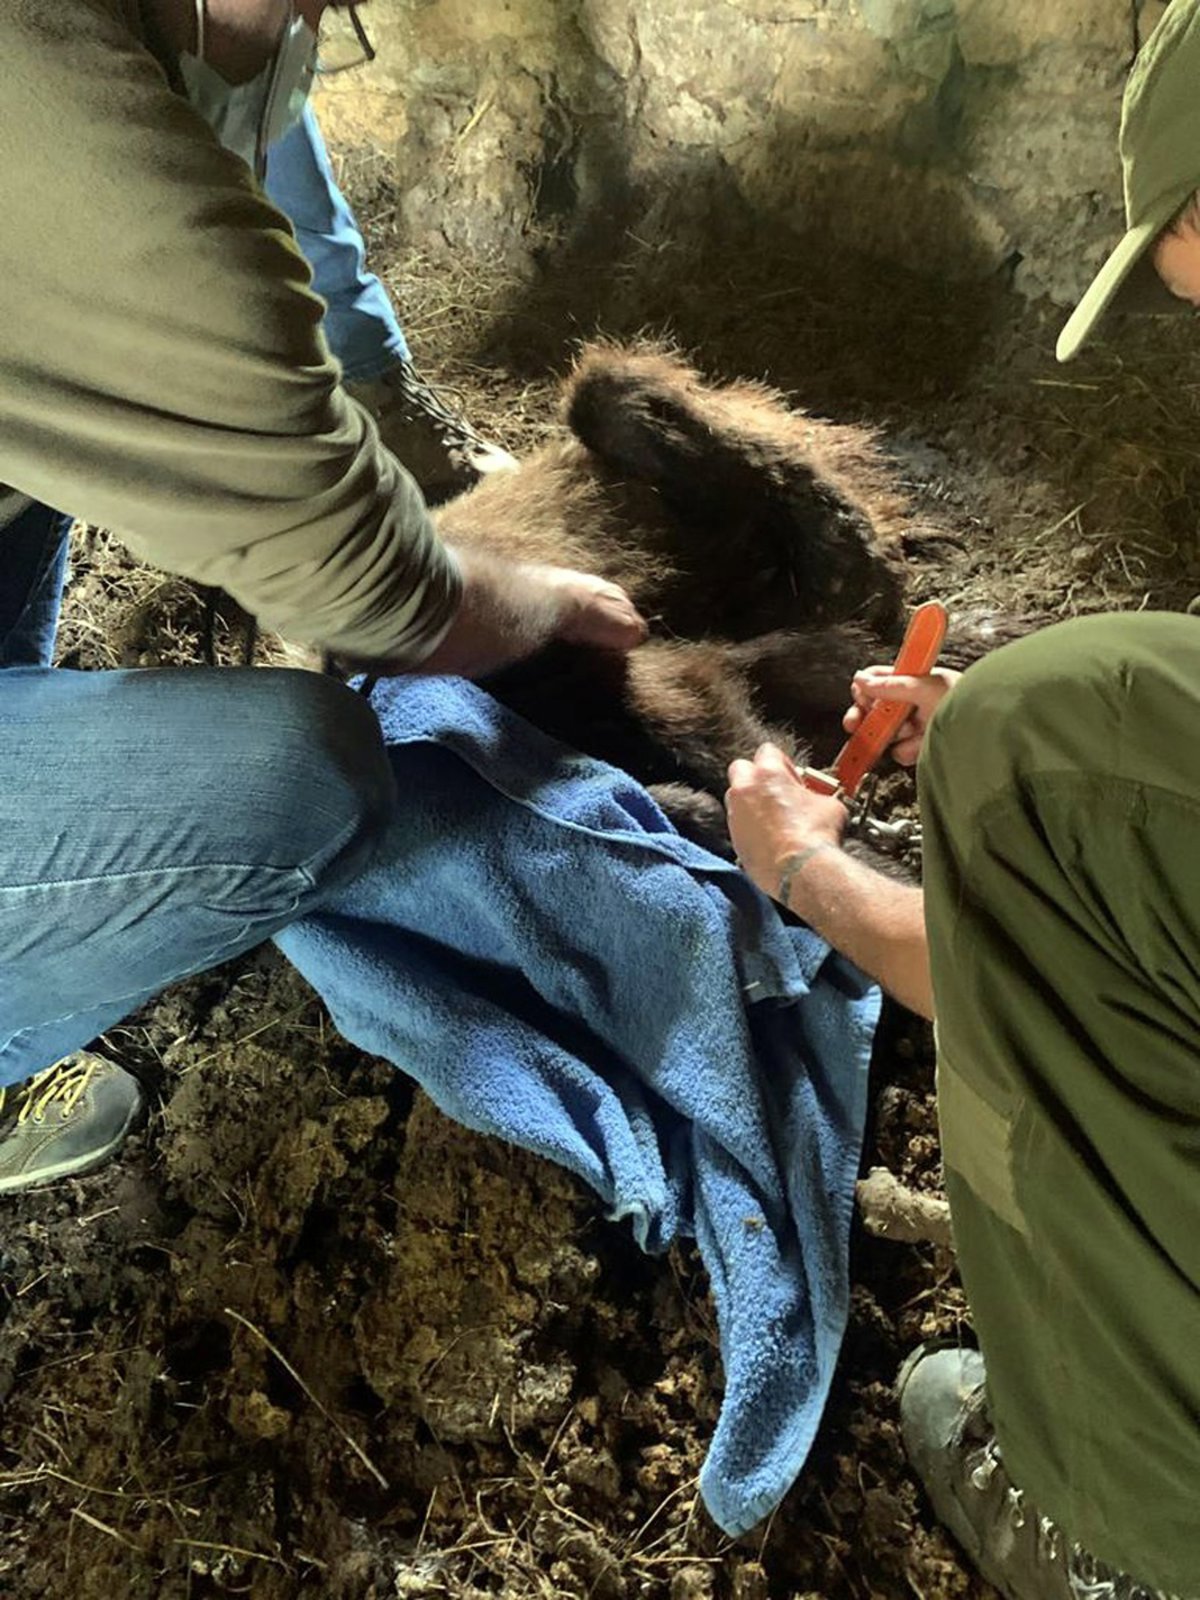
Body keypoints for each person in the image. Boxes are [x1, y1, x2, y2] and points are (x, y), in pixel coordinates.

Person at [0, 0, 646, 1193]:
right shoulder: (74, 139)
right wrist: (542, 602)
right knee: (296, 774)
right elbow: (376, 592)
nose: (310, 25)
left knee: (30, 452)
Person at [727, 6, 1200, 1596]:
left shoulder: (1066, 733)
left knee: (1034, 731)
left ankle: (1118, 1526)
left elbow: (1007, 982)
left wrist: (807, 871)